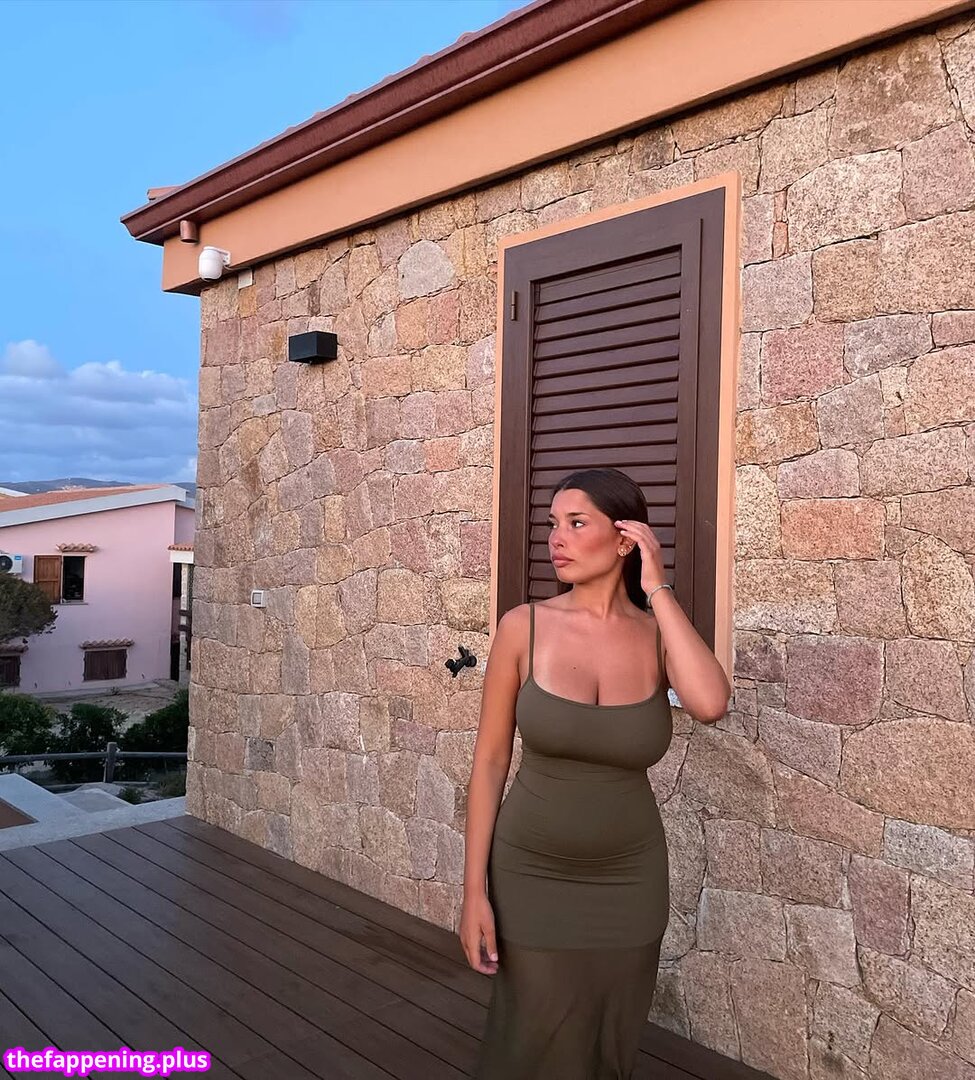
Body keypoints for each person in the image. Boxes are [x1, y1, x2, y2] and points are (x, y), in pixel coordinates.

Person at [461, 467, 732, 1080]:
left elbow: (711, 703)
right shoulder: (523, 627)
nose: (556, 538)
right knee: (533, 1037)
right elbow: (490, 762)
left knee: (609, 1040)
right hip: (531, 872)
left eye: (577, 523)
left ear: (625, 538)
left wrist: (658, 590)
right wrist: (474, 890)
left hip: (630, 878)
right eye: (553, 524)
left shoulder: (658, 637)